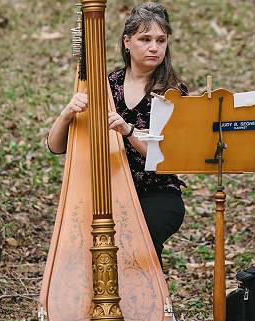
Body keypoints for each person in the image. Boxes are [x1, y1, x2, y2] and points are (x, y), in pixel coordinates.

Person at [47, 2, 187, 267]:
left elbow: (172, 158)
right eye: (145, 39)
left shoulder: (172, 92)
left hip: (156, 194)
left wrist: (129, 131)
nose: (154, 47)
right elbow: (55, 146)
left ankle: (151, 305)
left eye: (161, 40)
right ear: (127, 42)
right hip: (108, 191)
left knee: (138, 239)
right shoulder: (105, 84)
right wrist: (67, 114)